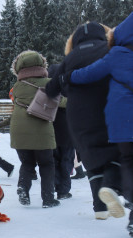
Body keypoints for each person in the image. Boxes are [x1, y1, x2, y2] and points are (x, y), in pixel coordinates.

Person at [65, 10, 133, 238]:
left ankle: (115, 201)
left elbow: (86, 74)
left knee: (120, 159)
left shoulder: (115, 54)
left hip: (114, 119)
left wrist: (66, 78)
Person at [45, 22, 122, 220]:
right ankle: (111, 187)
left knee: (91, 158)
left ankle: (100, 209)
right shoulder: (109, 50)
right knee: (115, 152)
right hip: (106, 108)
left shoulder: (70, 57)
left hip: (77, 115)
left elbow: (51, 89)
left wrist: (67, 85)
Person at [7, 50, 60, 208]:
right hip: (41, 130)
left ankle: (23, 187)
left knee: (27, 163)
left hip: (18, 131)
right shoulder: (49, 84)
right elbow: (62, 101)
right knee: (47, 164)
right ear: (42, 65)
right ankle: (48, 199)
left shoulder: (16, 87)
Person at [47, 65, 75, 200]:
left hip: (51, 129)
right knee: (66, 159)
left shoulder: (48, 89)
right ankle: (63, 190)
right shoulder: (69, 88)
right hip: (67, 129)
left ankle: (55, 185)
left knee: (54, 160)